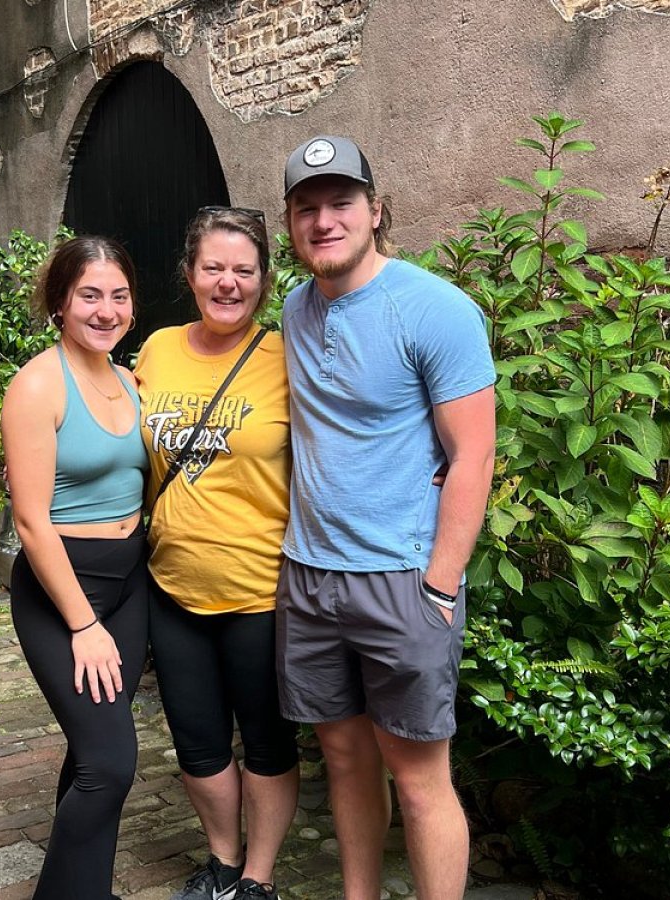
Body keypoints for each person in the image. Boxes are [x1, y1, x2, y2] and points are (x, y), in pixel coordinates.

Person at [275, 136, 497, 900]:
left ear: (375, 209)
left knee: (418, 775)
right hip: (309, 578)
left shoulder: (435, 309)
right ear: (291, 224)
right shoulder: (295, 309)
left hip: (402, 581)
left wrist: (439, 583)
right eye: (308, 208)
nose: (325, 221)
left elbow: (473, 456)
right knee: (341, 758)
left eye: (341, 203)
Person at [134, 207, 300, 900]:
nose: (228, 283)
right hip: (170, 587)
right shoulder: (157, 350)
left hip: (262, 590)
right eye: (213, 268)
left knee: (266, 744)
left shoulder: (288, 356)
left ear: (264, 280)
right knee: (198, 744)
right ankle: (223, 864)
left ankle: (258, 878)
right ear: (189, 274)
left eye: (244, 270)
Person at [2, 236, 150, 900]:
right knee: (110, 765)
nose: (106, 309)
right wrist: (84, 624)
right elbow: (32, 521)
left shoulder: (130, 381)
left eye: (119, 295)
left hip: (128, 586)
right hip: (65, 594)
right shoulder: (38, 385)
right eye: (89, 295)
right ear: (60, 302)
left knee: (89, 755)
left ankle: (84, 887)